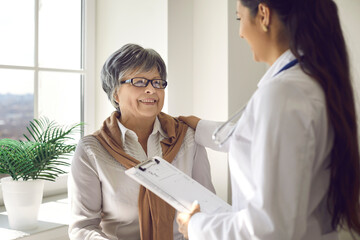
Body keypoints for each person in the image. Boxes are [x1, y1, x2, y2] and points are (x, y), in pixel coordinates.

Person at [176, 0, 360, 239]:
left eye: (239, 19)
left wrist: (196, 225)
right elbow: (260, 144)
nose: (240, 33)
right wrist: (197, 125)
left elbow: (269, 228)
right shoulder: (310, 84)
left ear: (263, 15)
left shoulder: (282, 95)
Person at [68, 43, 215, 240]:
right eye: (139, 82)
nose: (150, 89)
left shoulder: (187, 137)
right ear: (115, 93)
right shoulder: (92, 150)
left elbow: (208, 209)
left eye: (157, 82)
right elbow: (83, 227)